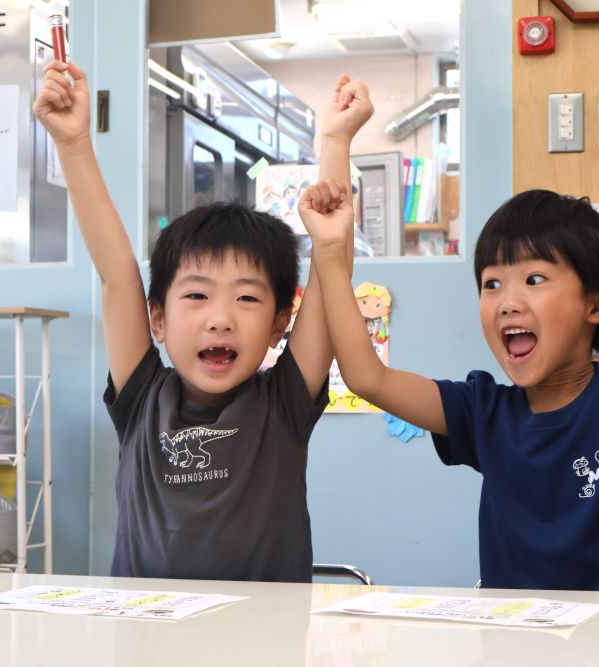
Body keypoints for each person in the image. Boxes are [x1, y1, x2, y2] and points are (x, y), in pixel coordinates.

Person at [299, 140, 599, 592]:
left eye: (534, 280)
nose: (507, 302)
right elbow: (367, 377)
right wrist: (332, 257)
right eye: (491, 283)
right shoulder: (482, 411)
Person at [33, 61, 372, 582]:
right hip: (147, 646)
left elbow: (331, 271)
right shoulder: (142, 397)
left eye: (247, 299)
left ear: (282, 322)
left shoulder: (282, 404)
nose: (221, 319)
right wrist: (74, 144)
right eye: (196, 295)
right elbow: (118, 275)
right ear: (158, 319)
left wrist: (334, 144)